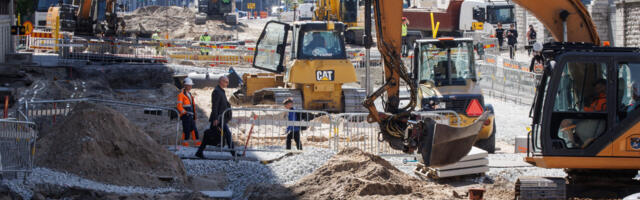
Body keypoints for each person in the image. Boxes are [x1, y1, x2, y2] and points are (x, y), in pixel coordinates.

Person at [196, 76, 234, 158]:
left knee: (209, 135)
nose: (227, 83)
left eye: (228, 82)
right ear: (221, 81)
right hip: (219, 118)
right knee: (227, 134)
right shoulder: (217, 91)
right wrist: (216, 118)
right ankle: (233, 153)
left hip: (221, 118)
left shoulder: (221, 91)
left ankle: (199, 151)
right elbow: (215, 106)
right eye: (226, 82)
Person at [177, 77, 199, 147]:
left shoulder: (190, 95)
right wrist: (184, 113)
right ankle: (185, 142)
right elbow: (179, 106)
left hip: (191, 115)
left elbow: (193, 106)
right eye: (189, 85)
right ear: (185, 85)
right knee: (186, 129)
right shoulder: (181, 95)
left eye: (191, 85)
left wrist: (194, 116)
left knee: (193, 129)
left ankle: (197, 142)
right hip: (185, 116)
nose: (190, 87)